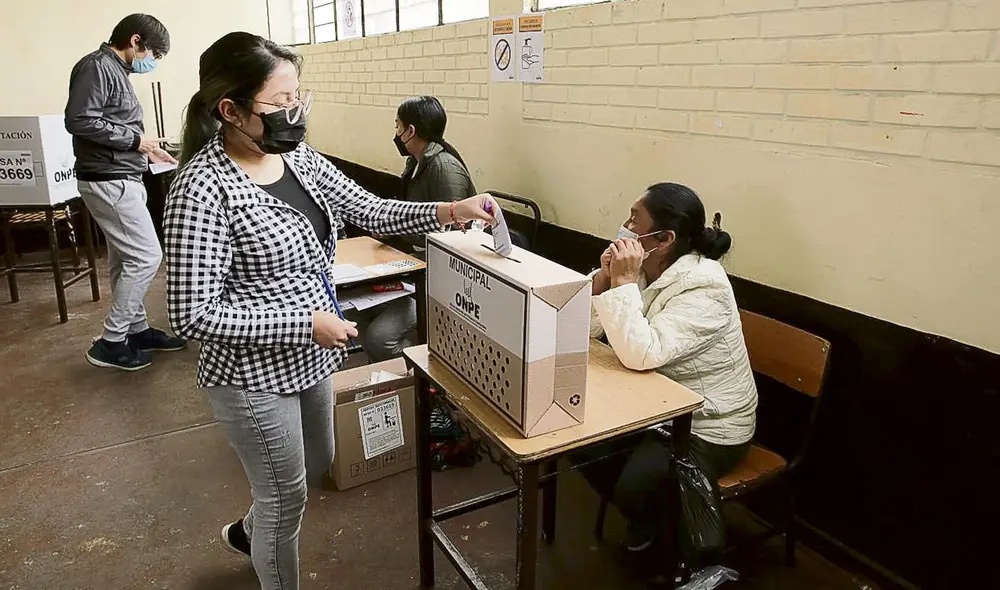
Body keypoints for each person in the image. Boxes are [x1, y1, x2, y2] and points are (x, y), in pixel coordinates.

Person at [162, 32, 498, 590]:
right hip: (250, 374)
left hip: (313, 358)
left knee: (318, 461)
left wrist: (450, 208)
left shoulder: (297, 160)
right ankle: (269, 547)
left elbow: (368, 208)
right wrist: (303, 322)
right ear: (230, 109)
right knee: (285, 496)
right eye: (281, 102)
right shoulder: (202, 188)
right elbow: (193, 314)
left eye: (299, 98)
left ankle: (251, 531)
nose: (295, 113)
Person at [585, 183, 758, 554]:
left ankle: (656, 525)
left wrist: (622, 282)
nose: (625, 226)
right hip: (654, 407)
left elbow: (641, 353)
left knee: (635, 485)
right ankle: (651, 517)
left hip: (710, 425)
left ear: (663, 237)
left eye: (635, 219)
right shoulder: (647, 268)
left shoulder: (705, 287)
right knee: (579, 445)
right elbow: (586, 330)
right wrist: (602, 280)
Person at [65, 13, 186, 371]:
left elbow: (112, 122)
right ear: (135, 41)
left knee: (124, 259)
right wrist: (136, 141)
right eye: (153, 55)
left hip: (122, 175)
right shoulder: (97, 67)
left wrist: (148, 150)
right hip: (108, 177)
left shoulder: (117, 71)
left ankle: (136, 329)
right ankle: (111, 341)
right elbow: (80, 120)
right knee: (146, 256)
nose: (152, 63)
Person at [348, 96, 478, 362]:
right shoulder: (416, 163)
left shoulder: (444, 168)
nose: (395, 133)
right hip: (412, 264)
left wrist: (397, 232)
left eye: (397, 126)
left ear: (411, 131)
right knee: (353, 315)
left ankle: (419, 371)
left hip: (435, 275)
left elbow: (452, 236)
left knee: (380, 337)